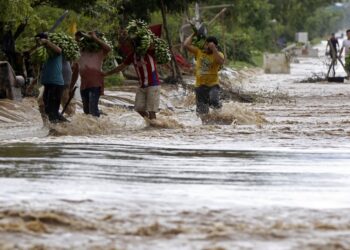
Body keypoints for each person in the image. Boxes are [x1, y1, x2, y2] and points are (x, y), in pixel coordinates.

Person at [104, 38, 161, 120]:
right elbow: (121, 67)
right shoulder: (132, 56)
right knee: (139, 109)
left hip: (153, 85)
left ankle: (154, 127)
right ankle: (152, 123)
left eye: (129, 45)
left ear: (135, 45)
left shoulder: (149, 52)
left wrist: (147, 41)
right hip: (142, 86)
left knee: (151, 110)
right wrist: (107, 73)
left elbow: (154, 45)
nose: (128, 47)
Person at [184, 34, 224, 120]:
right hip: (200, 86)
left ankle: (220, 118)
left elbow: (220, 61)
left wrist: (214, 49)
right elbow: (186, 45)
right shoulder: (199, 51)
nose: (206, 47)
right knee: (202, 112)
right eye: (206, 45)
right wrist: (194, 34)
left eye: (208, 46)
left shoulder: (218, 54)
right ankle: (206, 126)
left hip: (213, 85)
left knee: (214, 101)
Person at [71, 31, 111, 117]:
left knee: (93, 109)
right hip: (84, 85)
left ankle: (98, 127)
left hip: (95, 84)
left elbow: (108, 48)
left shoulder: (99, 52)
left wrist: (95, 38)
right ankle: (100, 116)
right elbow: (75, 72)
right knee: (86, 111)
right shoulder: (79, 54)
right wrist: (71, 87)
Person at [35, 32, 66, 123]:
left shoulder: (54, 51)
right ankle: (63, 127)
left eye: (39, 40)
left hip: (56, 83)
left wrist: (47, 42)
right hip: (47, 84)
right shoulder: (44, 54)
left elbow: (59, 50)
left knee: (52, 110)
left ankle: (59, 130)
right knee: (48, 109)